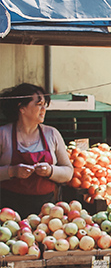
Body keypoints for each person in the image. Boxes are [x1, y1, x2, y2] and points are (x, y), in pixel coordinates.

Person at [0, 83, 73, 217]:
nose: (44, 109)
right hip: (8, 210)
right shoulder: (3, 135)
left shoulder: (52, 134)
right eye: (39, 104)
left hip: (46, 213)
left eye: (45, 105)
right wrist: (12, 171)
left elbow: (68, 172)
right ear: (22, 108)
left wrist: (50, 171)